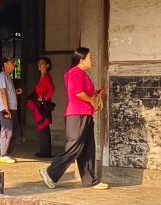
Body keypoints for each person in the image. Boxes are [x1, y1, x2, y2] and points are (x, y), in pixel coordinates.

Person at [40, 47, 109, 190]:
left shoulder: (83, 74)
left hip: (85, 114)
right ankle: (50, 172)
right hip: (77, 115)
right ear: (81, 60)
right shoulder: (75, 73)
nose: (92, 60)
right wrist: (91, 100)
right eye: (90, 58)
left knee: (88, 148)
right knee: (75, 147)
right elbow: (78, 93)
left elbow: (85, 92)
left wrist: (97, 93)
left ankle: (90, 180)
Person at [26, 56, 56, 157]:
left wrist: (44, 99)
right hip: (40, 105)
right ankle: (44, 151)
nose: (39, 65)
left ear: (47, 65)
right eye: (39, 63)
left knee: (44, 128)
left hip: (43, 106)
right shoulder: (42, 76)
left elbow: (52, 89)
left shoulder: (47, 76)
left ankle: (46, 152)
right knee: (43, 129)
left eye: (42, 63)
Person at [0, 56, 22, 164]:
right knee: (7, 131)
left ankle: (7, 153)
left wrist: (15, 92)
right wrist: (6, 108)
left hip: (12, 108)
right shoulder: (2, 76)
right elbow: (3, 92)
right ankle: (4, 155)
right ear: (5, 64)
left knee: (15, 131)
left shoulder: (8, 77)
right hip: (6, 108)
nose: (14, 64)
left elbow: (8, 92)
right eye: (12, 62)